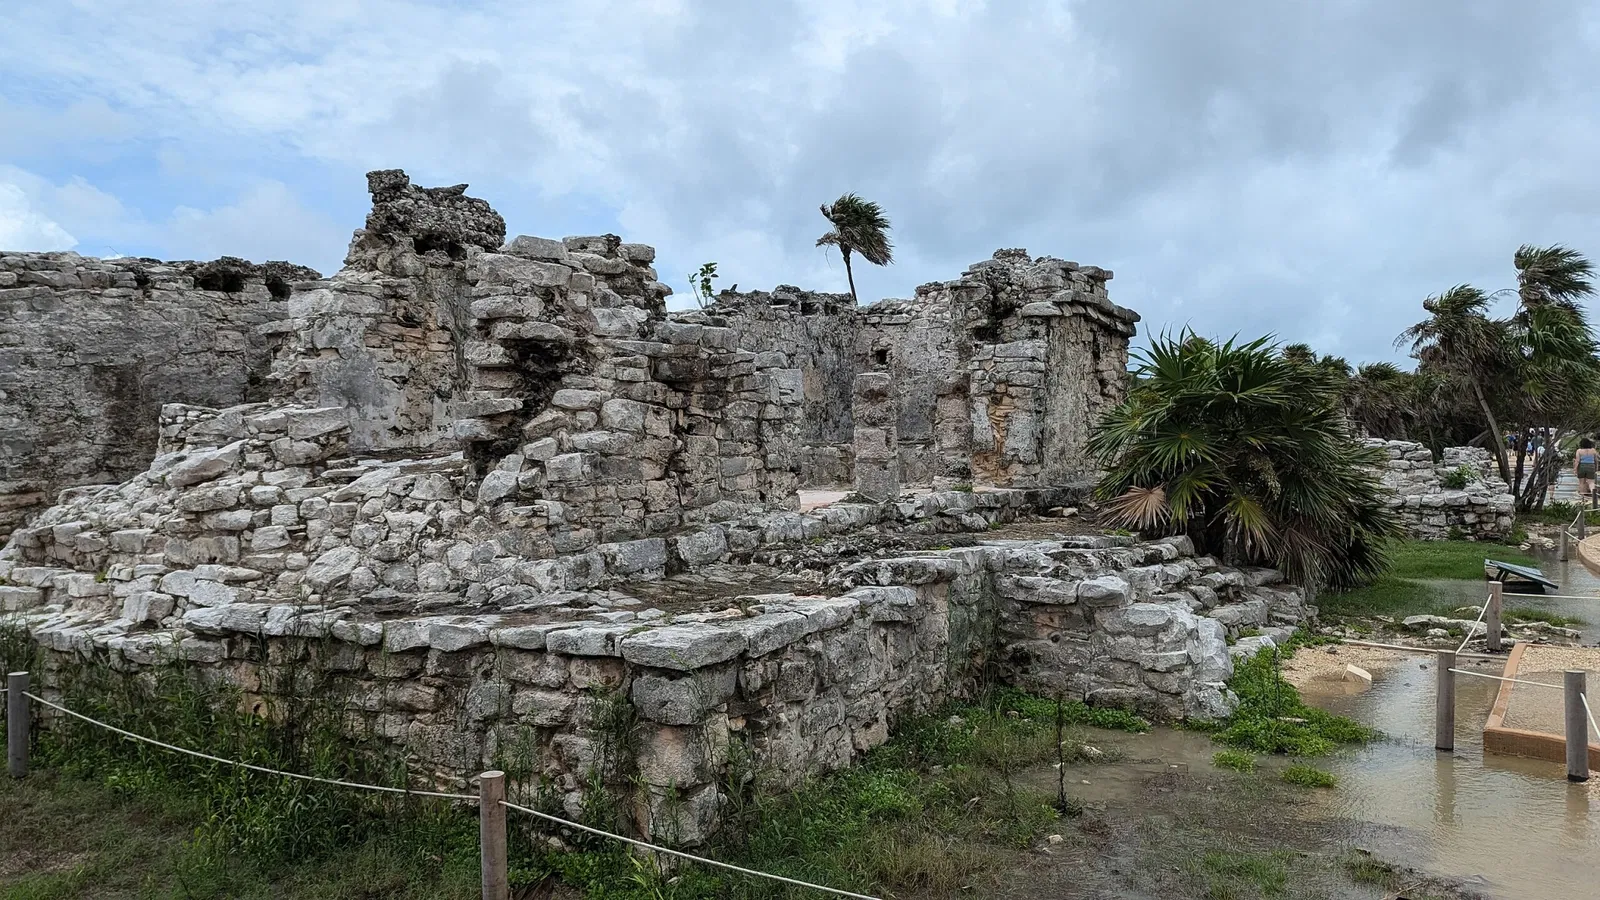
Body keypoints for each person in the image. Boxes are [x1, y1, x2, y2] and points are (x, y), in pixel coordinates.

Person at [1575, 438, 1598, 507]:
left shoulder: (1579, 451)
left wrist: (1575, 469)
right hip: (1591, 466)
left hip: (1582, 466)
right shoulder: (1593, 450)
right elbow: (1596, 460)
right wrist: (1596, 468)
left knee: (1582, 483)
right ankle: (1593, 495)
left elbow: (1577, 461)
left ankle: (1583, 498)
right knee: (1591, 482)